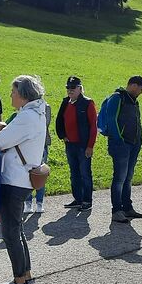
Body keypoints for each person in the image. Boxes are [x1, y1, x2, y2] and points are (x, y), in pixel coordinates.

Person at [0, 75, 49, 284]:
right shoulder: (37, 113)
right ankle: (26, 277)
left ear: (24, 95)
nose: (11, 95)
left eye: (13, 92)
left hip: (14, 180)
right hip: (23, 179)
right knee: (17, 230)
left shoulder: (26, 117)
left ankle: (19, 283)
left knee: (10, 233)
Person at [101, 75, 142, 223]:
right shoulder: (117, 98)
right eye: (141, 89)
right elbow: (111, 120)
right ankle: (116, 210)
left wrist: (139, 140)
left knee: (128, 177)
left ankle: (127, 207)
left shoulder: (133, 101)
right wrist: (119, 140)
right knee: (119, 178)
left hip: (134, 144)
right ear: (134, 85)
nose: (141, 92)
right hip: (121, 145)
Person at [56, 76, 98, 212]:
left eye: (73, 88)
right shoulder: (65, 102)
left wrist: (90, 146)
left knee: (85, 173)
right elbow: (59, 120)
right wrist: (63, 135)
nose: (70, 90)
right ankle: (78, 199)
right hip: (70, 145)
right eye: (68, 88)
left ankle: (87, 201)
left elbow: (93, 126)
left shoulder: (88, 103)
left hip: (83, 145)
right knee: (74, 173)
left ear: (80, 88)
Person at [25, 100, 52, 214]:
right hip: (28, 144)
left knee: (40, 173)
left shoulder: (46, 107)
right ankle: (28, 202)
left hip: (41, 144)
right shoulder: (25, 107)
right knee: (28, 173)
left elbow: (44, 124)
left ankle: (39, 202)